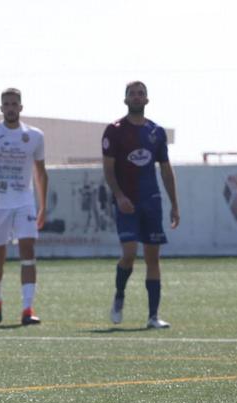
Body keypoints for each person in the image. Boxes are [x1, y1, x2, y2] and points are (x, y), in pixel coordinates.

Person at [102, 81, 179, 328]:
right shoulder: (114, 130)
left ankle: (153, 316)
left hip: (151, 201)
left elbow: (166, 170)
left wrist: (174, 205)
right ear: (125, 100)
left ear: (147, 99)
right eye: (132, 94)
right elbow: (108, 169)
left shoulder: (156, 132)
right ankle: (119, 295)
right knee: (129, 254)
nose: (136, 97)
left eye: (141, 93)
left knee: (153, 258)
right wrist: (119, 196)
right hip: (127, 203)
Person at [0, 88, 48, 326]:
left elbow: (41, 173)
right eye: (7, 104)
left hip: (24, 202)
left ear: (21, 107)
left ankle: (27, 308)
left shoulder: (34, 136)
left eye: (15, 104)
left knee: (28, 252)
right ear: (1, 108)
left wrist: (42, 206)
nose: (11, 108)